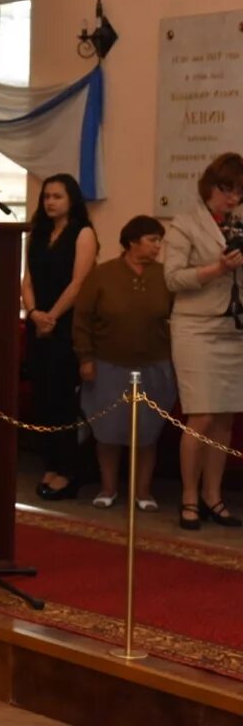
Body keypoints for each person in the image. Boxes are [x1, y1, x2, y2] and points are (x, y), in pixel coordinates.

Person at [164, 152, 243, 530]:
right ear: (212, 186)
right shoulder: (184, 225)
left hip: (234, 329)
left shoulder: (240, 224)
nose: (234, 200)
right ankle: (189, 498)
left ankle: (215, 496)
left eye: (240, 193)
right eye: (229, 191)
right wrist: (218, 268)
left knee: (225, 416)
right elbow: (173, 279)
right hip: (195, 328)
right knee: (202, 414)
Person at [73, 216, 175, 510]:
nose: (158, 246)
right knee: (108, 431)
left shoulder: (164, 276)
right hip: (108, 364)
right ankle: (108, 488)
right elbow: (82, 320)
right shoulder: (102, 275)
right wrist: (86, 358)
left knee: (147, 432)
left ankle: (143, 492)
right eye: (152, 240)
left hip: (155, 365)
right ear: (133, 242)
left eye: (159, 240)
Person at [21, 173, 97, 500]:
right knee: (43, 401)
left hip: (66, 326)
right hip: (38, 325)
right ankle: (50, 465)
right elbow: (27, 279)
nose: (50, 202)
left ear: (71, 200)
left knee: (64, 402)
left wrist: (51, 316)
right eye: (47, 196)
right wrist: (35, 312)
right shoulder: (36, 233)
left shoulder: (83, 233)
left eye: (57, 197)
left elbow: (79, 283)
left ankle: (68, 472)